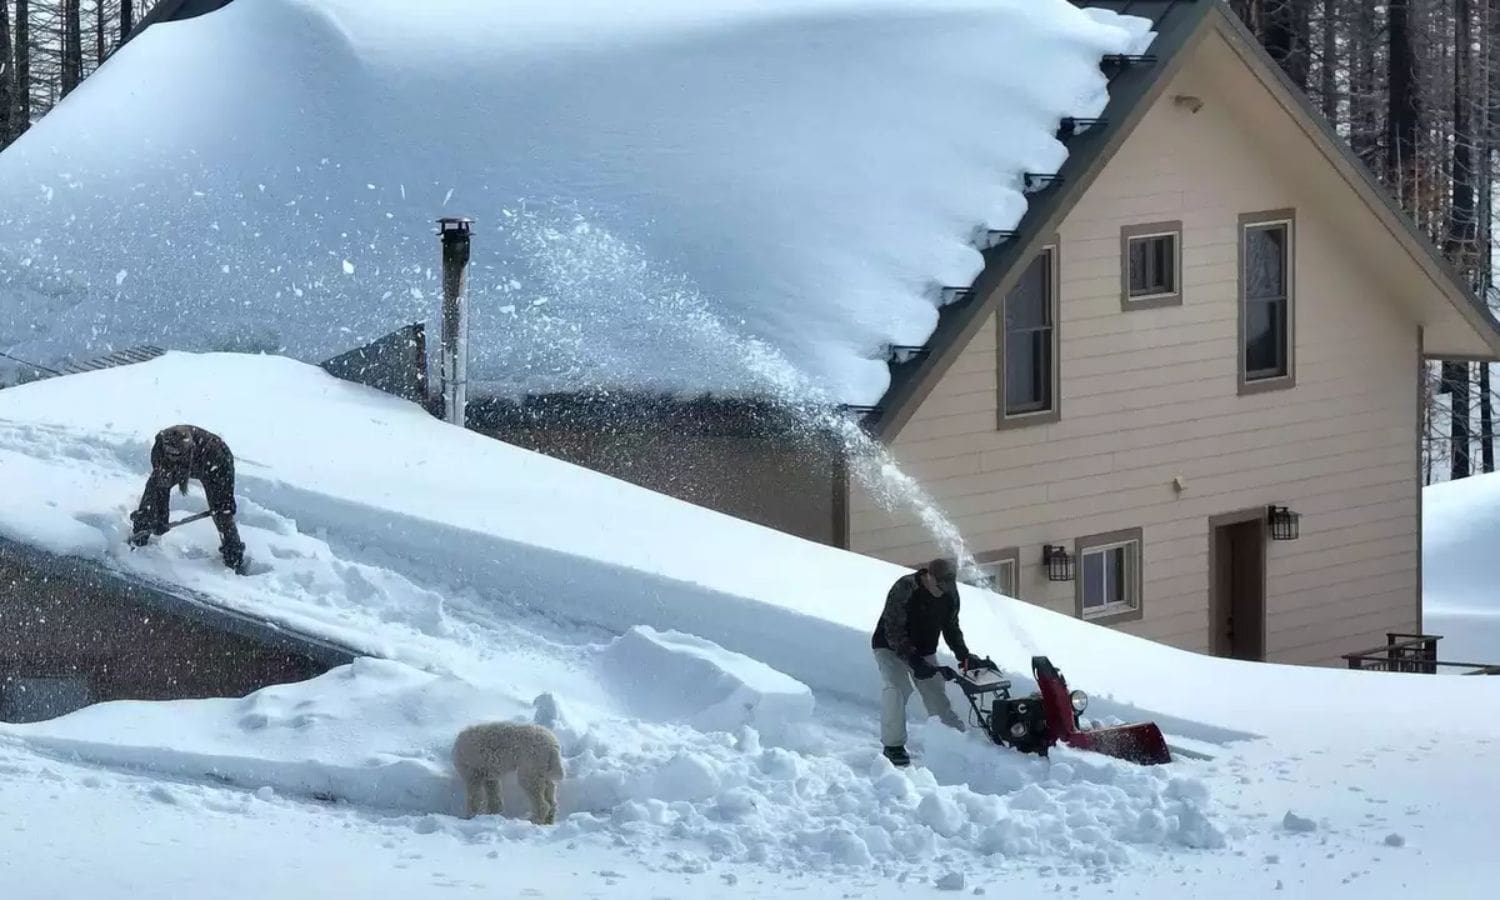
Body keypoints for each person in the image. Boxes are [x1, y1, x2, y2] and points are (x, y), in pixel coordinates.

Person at [870, 558, 984, 766]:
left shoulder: (950, 593)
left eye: (948, 586)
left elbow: (951, 627)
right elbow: (894, 630)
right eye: (940, 586)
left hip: (924, 649)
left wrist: (964, 655)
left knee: (936, 695)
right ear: (928, 576)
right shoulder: (905, 588)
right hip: (890, 647)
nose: (943, 591)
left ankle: (954, 739)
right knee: (896, 687)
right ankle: (893, 745)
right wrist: (914, 662)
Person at [128, 424, 247, 574]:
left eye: (179, 456)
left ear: (188, 450)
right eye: (171, 454)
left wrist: (224, 504)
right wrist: (161, 520)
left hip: (212, 465)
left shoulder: (215, 452)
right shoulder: (160, 447)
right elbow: (161, 487)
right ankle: (140, 532)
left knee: (222, 512)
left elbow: (225, 495)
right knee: (154, 487)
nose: (174, 459)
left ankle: (233, 557)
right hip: (193, 462)